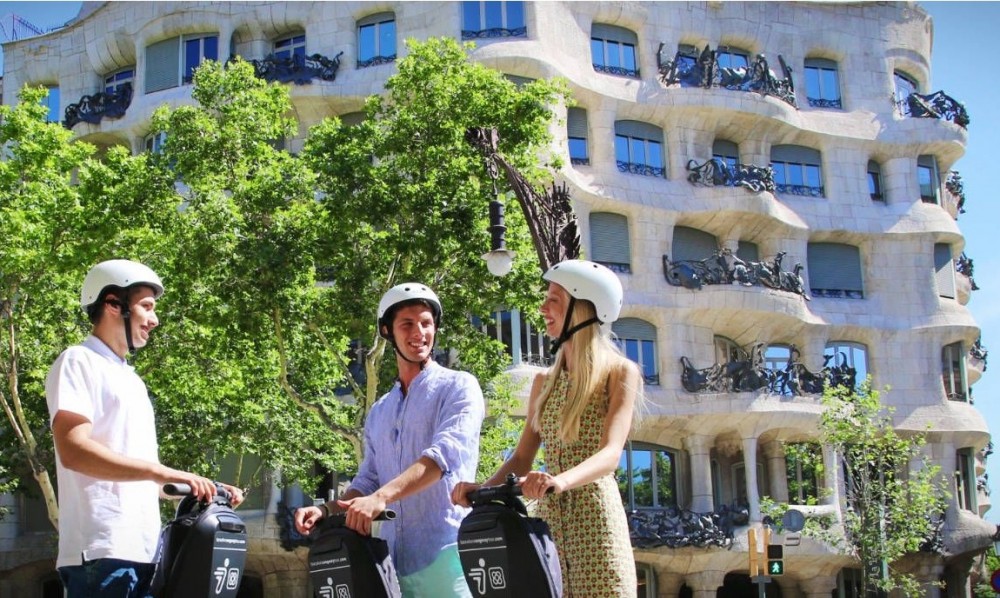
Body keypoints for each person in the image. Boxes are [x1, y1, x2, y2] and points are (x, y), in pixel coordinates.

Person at [46, 259, 244, 598]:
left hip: (146, 551)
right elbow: (73, 451)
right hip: (103, 551)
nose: (154, 320)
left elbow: (144, 481)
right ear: (112, 304)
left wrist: (200, 487)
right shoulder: (78, 361)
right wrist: (159, 471)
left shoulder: (131, 379)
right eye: (147, 307)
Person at [452, 259, 643, 597]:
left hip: (595, 519)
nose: (542, 308)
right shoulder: (543, 382)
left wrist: (558, 481)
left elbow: (610, 453)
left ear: (582, 308)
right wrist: (482, 491)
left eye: (553, 299)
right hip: (549, 520)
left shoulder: (620, 372)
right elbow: (523, 457)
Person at [295, 282, 484, 597]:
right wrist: (327, 511)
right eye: (407, 324)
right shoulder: (381, 410)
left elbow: (441, 459)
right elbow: (369, 479)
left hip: (446, 555)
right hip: (391, 562)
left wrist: (380, 499)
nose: (419, 332)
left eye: (426, 323)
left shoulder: (459, 387)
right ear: (387, 331)